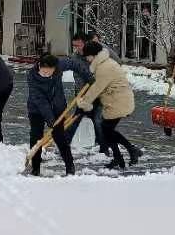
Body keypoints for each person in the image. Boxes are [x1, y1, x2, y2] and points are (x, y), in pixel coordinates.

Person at [78, 41, 142, 170]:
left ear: (93, 55)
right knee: (108, 131)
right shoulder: (105, 63)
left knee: (107, 131)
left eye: (87, 56)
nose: (86, 59)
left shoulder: (104, 67)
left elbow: (97, 88)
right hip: (117, 101)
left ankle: (129, 152)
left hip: (118, 103)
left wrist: (84, 102)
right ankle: (123, 156)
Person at [27, 53, 92, 176]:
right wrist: (51, 120)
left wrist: (87, 76)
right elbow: (41, 101)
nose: (46, 74)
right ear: (39, 66)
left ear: (54, 68)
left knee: (60, 136)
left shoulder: (59, 64)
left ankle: (70, 166)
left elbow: (75, 64)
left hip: (58, 107)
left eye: (49, 72)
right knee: (36, 136)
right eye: (44, 72)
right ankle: (35, 168)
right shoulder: (32, 77)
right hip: (37, 109)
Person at [65, 33, 109, 155]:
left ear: (86, 43)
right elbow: (78, 78)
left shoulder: (96, 55)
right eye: (74, 46)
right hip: (83, 95)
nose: (77, 48)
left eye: (79, 45)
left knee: (98, 120)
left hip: (99, 94)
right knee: (76, 119)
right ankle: (65, 144)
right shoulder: (74, 58)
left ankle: (103, 148)